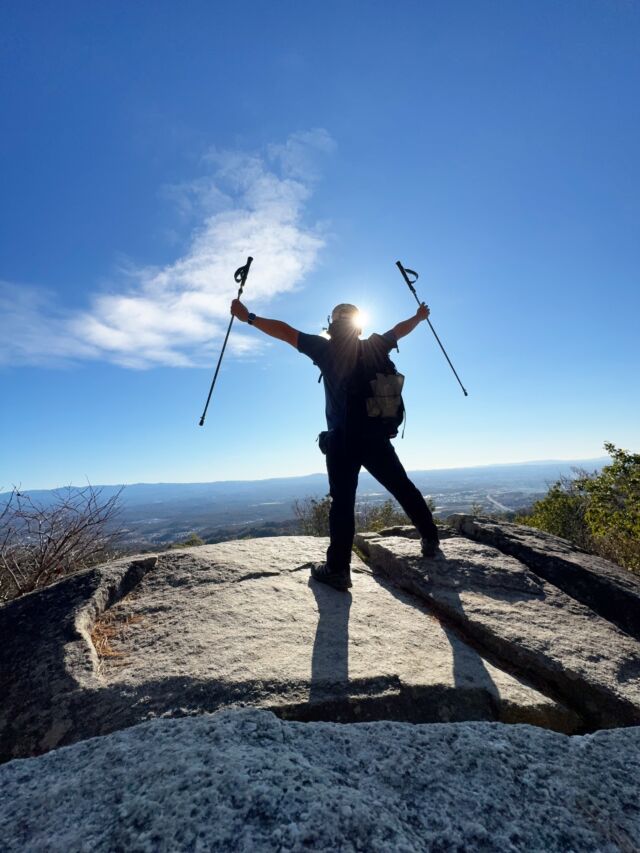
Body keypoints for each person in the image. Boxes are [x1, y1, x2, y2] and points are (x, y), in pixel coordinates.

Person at [229, 298, 440, 592]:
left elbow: (285, 331)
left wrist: (248, 317)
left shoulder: (324, 348)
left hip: (342, 440)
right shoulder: (375, 345)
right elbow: (399, 330)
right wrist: (419, 316)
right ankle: (430, 536)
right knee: (401, 485)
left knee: (342, 504)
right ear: (357, 323)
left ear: (332, 322)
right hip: (376, 437)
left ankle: (339, 570)